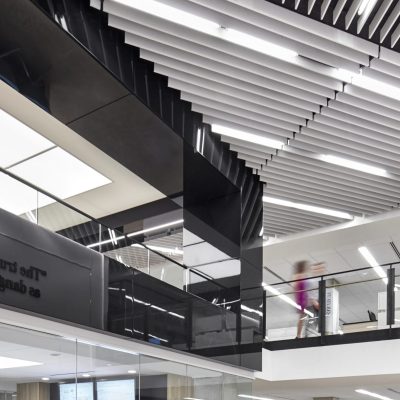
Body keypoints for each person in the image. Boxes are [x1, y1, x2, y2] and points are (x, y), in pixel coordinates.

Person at [293, 260, 324, 338]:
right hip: (310, 303)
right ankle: (304, 335)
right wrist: (313, 301)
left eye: (320, 268)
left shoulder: (319, 279)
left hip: (314, 302)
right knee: (308, 319)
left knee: (311, 319)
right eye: (316, 269)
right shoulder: (308, 279)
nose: (318, 270)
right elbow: (307, 292)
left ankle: (303, 335)